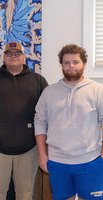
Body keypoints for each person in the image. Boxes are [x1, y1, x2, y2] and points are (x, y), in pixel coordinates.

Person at [0, 41, 48, 200]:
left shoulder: (39, 81)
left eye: (17, 54)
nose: (13, 57)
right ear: (3, 58)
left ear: (24, 57)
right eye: (9, 54)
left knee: (25, 195)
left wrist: (43, 143)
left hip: (29, 149)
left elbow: (46, 114)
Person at [35, 44, 103, 200]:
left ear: (84, 64)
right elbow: (39, 122)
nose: (71, 66)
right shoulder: (49, 92)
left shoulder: (97, 90)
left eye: (75, 62)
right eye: (66, 62)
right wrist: (41, 154)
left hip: (90, 161)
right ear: (61, 65)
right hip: (58, 162)